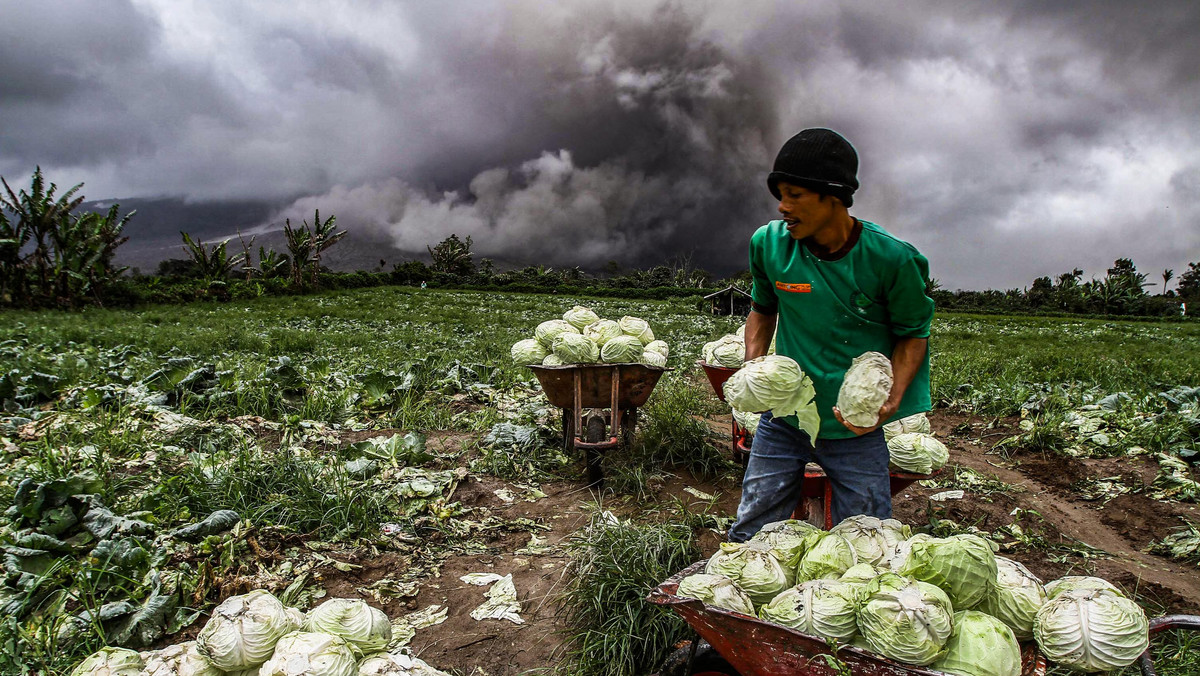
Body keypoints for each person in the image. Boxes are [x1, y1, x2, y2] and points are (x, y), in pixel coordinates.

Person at [727, 128, 935, 542]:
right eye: (779, 196)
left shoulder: (892, 259)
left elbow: (914, 335)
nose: (783, 207)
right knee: (751, 526)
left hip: (852, 427)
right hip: (785, 418)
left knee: (867, 537)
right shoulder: (769, 245)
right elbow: (762, 311)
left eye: (795, 195)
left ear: (834, 196)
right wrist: (754, 368)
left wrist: (889, 402)